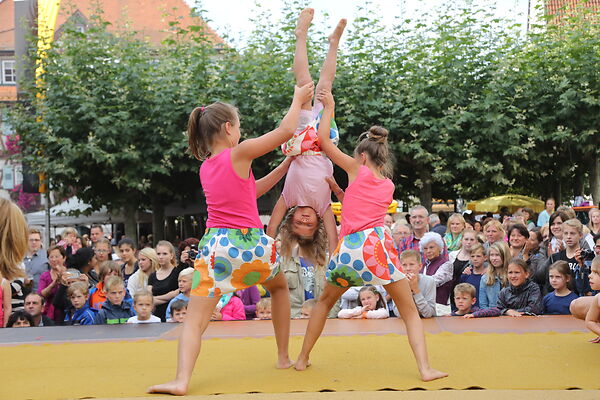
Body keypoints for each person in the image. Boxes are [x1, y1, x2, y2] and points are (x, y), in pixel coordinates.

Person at [147, 32, 315, 393]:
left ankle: (181, 379)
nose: (242, 132)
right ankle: (283, 356)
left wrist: (286, 164)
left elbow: (251, 192)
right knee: (280, 288)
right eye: (239, 126)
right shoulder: (239, 153)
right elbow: (286, 129)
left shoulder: (207, 166)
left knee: (195, 321)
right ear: (228, 129)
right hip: (253, 246)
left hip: (217, 249)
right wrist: (299, 99)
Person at [293, 88, 446, 381]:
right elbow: (364, 206)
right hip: (376, 248)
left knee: (324, 303)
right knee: (409, 312)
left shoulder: (355, 168)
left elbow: (323, 141)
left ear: (362, 155)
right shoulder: (387, 184)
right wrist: (341, 193)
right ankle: (425, 369)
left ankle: (302, 359)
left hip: (349, 250)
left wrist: (330, 108)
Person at [267, 7, 345, 260]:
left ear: (290, 223)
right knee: (325, 86)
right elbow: (334, 241)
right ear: (317, 224)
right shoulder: (323, 208)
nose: (303, 220)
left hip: (301, 142)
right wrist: (333, 264)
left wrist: (269, 255)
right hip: (324, 142)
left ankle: (301, 35)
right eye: (308, 225)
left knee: (305, 84)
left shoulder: (288, 198)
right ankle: (333, 43)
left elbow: (270, 229)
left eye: (298, 224)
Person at [466, 258, 542, 318]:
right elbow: (498, 310)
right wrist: (507, 311)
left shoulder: (533, 289)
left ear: (526, 274)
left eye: (517, 272)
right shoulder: (504, 292)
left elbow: (533, 309)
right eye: (510, 273)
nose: (513, 276)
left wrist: (509, 311)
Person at [281, 244, 339, 319]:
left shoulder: (328, 261)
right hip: (292, 318)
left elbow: (336, 293)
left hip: (322, 319)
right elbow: (276, 291)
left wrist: (330, 318)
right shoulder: (284, 260)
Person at [541, 218, 594, 297]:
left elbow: (588, 286)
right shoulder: (555, 257)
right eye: (566, 233)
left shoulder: (587, 257)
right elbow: (548, 284)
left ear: (580, 235)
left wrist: (582, 266)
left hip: (578, 299)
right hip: (559, 299)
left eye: (572, 233)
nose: (568, 237)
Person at [148, 241, 183, 321]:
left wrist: (156, 299)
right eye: (158, 254)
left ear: (171, 255)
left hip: (175, 316)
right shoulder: (152, 276)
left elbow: (177, 293)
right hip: (157, 317)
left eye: (164, 254)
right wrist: (169, 296)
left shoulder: (178, 272)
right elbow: (149, 299)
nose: (161, 257)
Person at [420, 232, 453, 306]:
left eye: (431, 247)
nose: (428, 251)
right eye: (425, 248)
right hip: (425, 306)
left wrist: (416, 282)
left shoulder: (446, 264)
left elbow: (434, 281)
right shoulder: (424, 265)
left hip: (440, 307)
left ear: (440, 248)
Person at [400, 250, 435, 318]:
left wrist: (415, 290)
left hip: (428, 323)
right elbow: (398, 313)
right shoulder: (398, 283)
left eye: (411, 264)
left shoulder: (429, 281)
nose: (408, 269)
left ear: (420, 266)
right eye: (404, 265)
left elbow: (428, 313)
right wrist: (406, 289)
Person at [37, 245, 67, 324]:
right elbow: (41, 294)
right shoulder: (45, 276)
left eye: (57, 256)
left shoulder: (70, 273)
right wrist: (53, 284)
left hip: (66, 312)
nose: (54, 260)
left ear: (64, 258)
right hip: (49, 313)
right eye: (51, 257)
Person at [479, 241, 510, 309]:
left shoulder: (512, 276)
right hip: (492, 315)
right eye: (492, 255)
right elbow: (483, 305)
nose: (494, 258)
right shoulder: (485, 278)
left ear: (504, 256)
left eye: (497, 255)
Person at [459, 243, 487, 308]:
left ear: (485, 258)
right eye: (472, 256)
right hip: (468, 311)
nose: (475, 259)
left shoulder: (488, 275)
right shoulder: (466, 275)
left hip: (483, 311)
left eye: (478, 256)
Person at [23, 228, 48, 292]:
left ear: (40, 241)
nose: (34, 242)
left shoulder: (47, 256)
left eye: (36, 240)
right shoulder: (20, 257)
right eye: (31, 240)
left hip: (41, 295)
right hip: (23, 295)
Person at [584, 256, 600, 343]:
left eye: (595, 272)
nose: (590, 276)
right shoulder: (598, 298)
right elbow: (590, 321)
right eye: (591, 272)